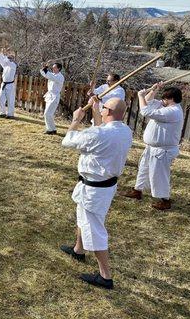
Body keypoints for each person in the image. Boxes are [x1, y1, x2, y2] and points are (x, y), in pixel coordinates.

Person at [60, 97, 132, 290]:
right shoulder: (125, 131)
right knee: (83, 218)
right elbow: (100, 132)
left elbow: (67, 141)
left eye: (104, 109)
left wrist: (76, 120)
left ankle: (105, 276)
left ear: (108, 112)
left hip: (94, 190)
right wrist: (96, 110)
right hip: (105, 186)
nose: (101, 111)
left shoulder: (97, 135)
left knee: (95, 230)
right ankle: (78, 250)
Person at [120, 84, 184, 210]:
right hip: (152, 147)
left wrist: (140, 95)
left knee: (159, 175)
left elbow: (145, 111)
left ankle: (165, 200)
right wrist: (154, 89)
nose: (163, 100)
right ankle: (137, 191)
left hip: (163, 150)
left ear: (171, 99)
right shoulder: (164, 105)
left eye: (165, 98)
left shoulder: (173, 111)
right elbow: (148, 102)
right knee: (143, 169)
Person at [40, 61, 65, 134]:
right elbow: (43, 73)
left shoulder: (60, 77)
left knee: (47, 114)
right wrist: (44, 66)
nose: (53, 69)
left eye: (54, 68)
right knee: (48, 114)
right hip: (49, 96)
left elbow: (50, 76)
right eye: (52, 68)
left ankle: (50, 129)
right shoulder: (53, 74)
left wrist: (46, 67)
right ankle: (52, 129)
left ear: (59, 68)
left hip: (55, 96)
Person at [0, 52, 17, 119]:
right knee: (0, 98)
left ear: (13, 59)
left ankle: (10, 114)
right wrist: (0, 53)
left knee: (10, 100)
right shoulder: (5, 65)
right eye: (9, 58)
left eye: (10, 58)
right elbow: (0, 59)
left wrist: (5, 56)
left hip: (10, 85)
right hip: (4, 84)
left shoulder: (13, 65)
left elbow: (6, 61)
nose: (9, 59)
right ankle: (2, 113)